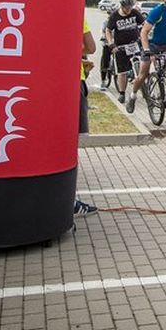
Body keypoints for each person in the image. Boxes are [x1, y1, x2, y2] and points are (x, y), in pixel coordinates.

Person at [75, 17, 98, 217]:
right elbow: (91, 47)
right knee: (71, 143)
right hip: (74, 80)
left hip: (49, 80)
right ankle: (70, 201)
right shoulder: (76, 15)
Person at [105, 0, 146, 104]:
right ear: (122, 6)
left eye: (130, 8)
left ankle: (143, 88)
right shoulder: (115, 16)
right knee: (122, 71)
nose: (128, 10)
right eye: (126, 8)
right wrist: (111, 43)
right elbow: (108, 30)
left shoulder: (135, 12)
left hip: (134, 43)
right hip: (121, 46)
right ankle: (122, 93)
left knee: (141, 64)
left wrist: (144, 34)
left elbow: (144, 24)